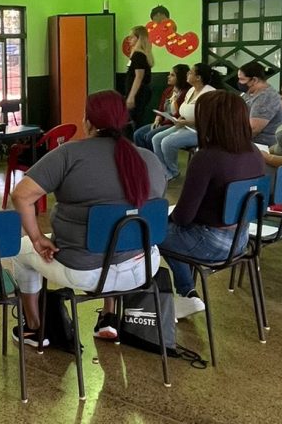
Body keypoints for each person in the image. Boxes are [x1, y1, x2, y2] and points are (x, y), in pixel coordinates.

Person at [10, 90, 166, 345]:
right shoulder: (148, 158)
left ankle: (35, 328)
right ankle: (108, 316)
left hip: (84, 271)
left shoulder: (69, 154)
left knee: (19, 251)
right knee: (118, 232)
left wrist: (37, 238)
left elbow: (21, 196)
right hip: (142, 266)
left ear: (88, 121)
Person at [159, 91, 265, 318]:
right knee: (170, 233)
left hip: (210, 243)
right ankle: (187, 294)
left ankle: (186, 294)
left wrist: (167, 220)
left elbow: (183, 216)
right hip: (241, 239)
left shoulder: (206, 158)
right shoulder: (254, 152)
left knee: (153, 231)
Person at [152, 63, 220, 181]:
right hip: (185, 125)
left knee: (167, 142)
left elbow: (208, 120)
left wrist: (186, 122)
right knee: (156, 139)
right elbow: (181, 111)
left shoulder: (210, 93)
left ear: (198, 77)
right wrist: (177, 112)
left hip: (200, 131)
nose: (187, 74)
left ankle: (173, 171)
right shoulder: (191, 90)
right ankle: (164, 170)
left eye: (191, 72)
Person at [133, 64, 190, 151]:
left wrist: (162, 123)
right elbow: (161, 108)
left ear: (180, 77)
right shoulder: (168, 91)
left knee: (150, 136)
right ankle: (144, 159)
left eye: (172, 75)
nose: (168, 77)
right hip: (163, 121)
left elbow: (179, 114)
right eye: (169, 74)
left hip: (173, 123)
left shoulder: (186, 93)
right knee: (137, 134)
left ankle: (154, 160)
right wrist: (157, 118)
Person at [236, 62, 282, 146]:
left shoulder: (266, 97)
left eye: (242, 79)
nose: (239, 82)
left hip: (261, 145)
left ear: (254, 80)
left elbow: (254, 129)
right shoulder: (249, 93)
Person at [125, 25, 154, 128]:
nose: (129, 40)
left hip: (138, 93)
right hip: (139, 91)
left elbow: (138, 77)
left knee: (136, 120)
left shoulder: (138, 55)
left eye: (131, 37)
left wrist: (131, 96)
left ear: (138, 38)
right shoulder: (138, 54)